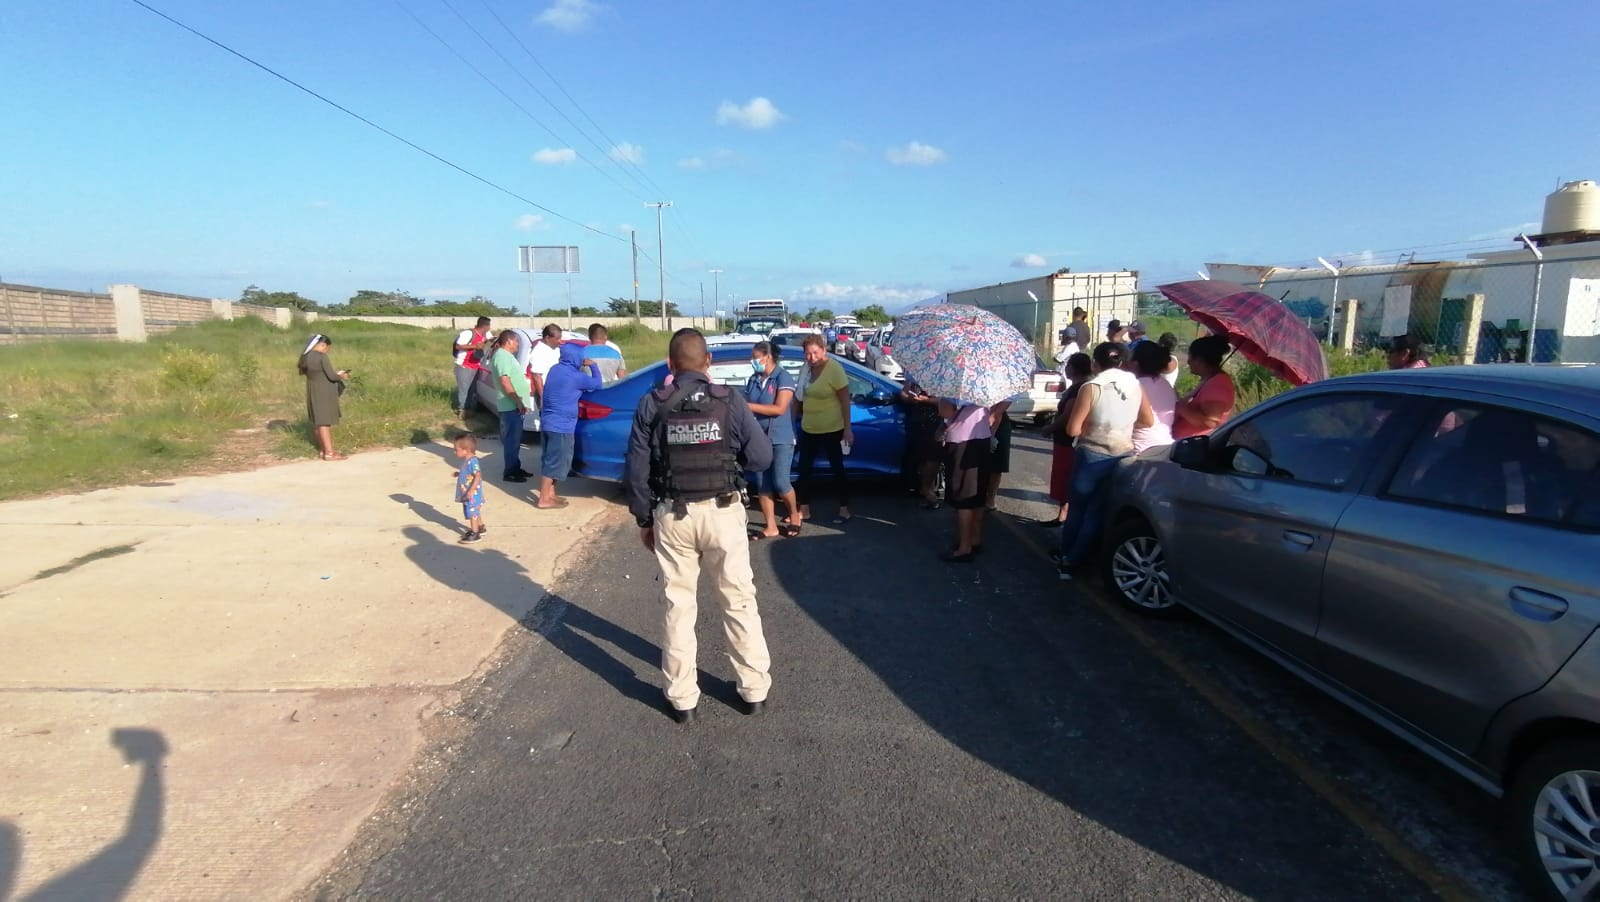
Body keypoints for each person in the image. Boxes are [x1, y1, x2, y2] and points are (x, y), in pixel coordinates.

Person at [623, 328, 775, 723]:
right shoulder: (730, 401)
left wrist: (644, 519)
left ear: (671, 364)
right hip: (723, 513)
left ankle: (682, 699)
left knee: (678, 606)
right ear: (708, 363)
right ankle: (754, 690)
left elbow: (636, 471)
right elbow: (760, 457)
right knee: (738, 600)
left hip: (673, 516)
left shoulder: (651, 403)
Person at [1054, 342, 1155, 580]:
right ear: (1122, 362)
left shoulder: (1091, 386)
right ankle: (1081, 557)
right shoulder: (1135, 385)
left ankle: (1067, 558)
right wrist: (1124, 426)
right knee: (1097, 511)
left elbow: (1072, 429)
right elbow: (1148, 421)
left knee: (1077, 510)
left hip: (1091, 454)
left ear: (1094, 363)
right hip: (1122, 454)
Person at [794, 333, 854, 525]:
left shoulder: (834, 369)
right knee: (804, 470)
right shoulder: (806, 369)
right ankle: (804, 508)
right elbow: (799, 397)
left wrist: (847, 429)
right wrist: (790, 422)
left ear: (823, 350)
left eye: (815, 353)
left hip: (831, 428)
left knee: (837, 470)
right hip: (809, 428)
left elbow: (845, 400)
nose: (812, 357)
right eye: (808, 354)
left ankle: (844, 508)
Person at [743, 341, 800, 539]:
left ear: (767, 357)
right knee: (762, 484)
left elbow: (779, 409)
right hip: (758, 439)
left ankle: (794, 515)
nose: (753, 361)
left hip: (781, 438)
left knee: (781, 482)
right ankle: (771, 526)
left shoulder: (783, 378)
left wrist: (748, 406)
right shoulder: (753, 379)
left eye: (755, 357)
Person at [537, 342, 603, 509]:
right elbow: (597, 383)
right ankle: (544, 499)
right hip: (562, 426)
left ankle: (551, 495)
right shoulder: (576, 377)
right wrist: (593, 366)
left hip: (547, 423)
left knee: (550, 460)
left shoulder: (555, 370)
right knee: (555, 462)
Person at [1038, 352, 1092, 527]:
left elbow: (1068, 415)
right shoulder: (1078, 386)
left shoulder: (1079, 388)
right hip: (1065, 439)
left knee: (1066, 477)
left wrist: (1049, 428)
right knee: (1064, 477)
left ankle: (1065, 515)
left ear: (1074, 368)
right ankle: (1062, 514)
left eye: (1068, 365)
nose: (1066, 368)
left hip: (1069, 440)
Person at [938, 399, 992, 562]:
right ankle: (974, 539)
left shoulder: (952, 384)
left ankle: (964, 547)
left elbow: (946, 412)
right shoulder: (985, 384)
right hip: (983, 438)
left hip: (961, 442)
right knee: (977, 492)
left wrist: (941, 402)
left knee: (963, 497)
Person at [488, 330, 534, 482]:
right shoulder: (502, 356)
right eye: (517, 342)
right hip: (510, 406)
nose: (518, 345)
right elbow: (505, 381)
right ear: (509, 341)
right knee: (511, 441)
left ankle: (516, 467)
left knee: (515, 440)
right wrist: (518, 401)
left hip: (513, 405)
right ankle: (510, 472)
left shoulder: (507, 356)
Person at [1173, 334, 1236, 440]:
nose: (1188, 361)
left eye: (1191, 357)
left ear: (1199, 359)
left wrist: (1182, 410)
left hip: (1194, 446)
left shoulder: (1218, 386)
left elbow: (1211, 422)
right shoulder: (1209, 379)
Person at [298, 333, 349, 461]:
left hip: (313, 390)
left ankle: (323, 450)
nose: (327, 350)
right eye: (327, 348)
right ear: (322, 345)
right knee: (324, 423)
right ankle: (330, 453)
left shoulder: (306, 357)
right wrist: (341, 375)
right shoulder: (321, 357)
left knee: (318, 422)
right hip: (324, 391)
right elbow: (331, 376)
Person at [900, 379, 944, 508]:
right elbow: (903, 393)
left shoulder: (945, 373)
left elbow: (947, 401)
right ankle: (923, 489)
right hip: (917, 418)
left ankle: (927, 489)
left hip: (936, 419)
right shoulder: (916, 370)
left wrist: (926, 400)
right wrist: (909, 398)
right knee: (920, 455)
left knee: (934, 457)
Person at [1131, 341, 1178, 453]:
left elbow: (1143, 422)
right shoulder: (1167, 385)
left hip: (1141, 450)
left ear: (1136, 363)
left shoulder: (1134, 385)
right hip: (1166, 447)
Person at [452, 316, 491, 417]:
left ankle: (468, 408)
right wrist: (474, 346)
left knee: (472, 389)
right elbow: (458, 346)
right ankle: (461, 409)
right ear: (485, 326)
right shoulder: (468, 333)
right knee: (464, 388)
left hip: (476, 365)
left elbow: (489, 340)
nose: (490, 328)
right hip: (464, 365)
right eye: (489, 325)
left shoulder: (484, 334)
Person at [453, 434, 486, 543]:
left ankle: (474, 532)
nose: (454, 452)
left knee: (472, 512)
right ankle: (480, 527)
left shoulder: (472, 461)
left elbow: (477, 475)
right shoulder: (467, 461)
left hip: (472, 493)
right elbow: (469, 474)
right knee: (475, 510)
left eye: (456, 450)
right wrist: (459, 474)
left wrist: (471, 490)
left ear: (465, 450)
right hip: (468, 492)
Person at [984, 402, 1012, 511]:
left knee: (996, 465)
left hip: (998, 423)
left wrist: (992, 433)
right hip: (977, 419)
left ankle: (990, 498)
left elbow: (1006, 402)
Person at [528, 323, 563, 405]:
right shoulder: (539, 352)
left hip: (557, 392)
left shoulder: (555, 349)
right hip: (546, 393)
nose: (560, 341)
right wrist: (543, 398)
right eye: (557, 338)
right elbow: (537, 376)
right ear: (547, 338)